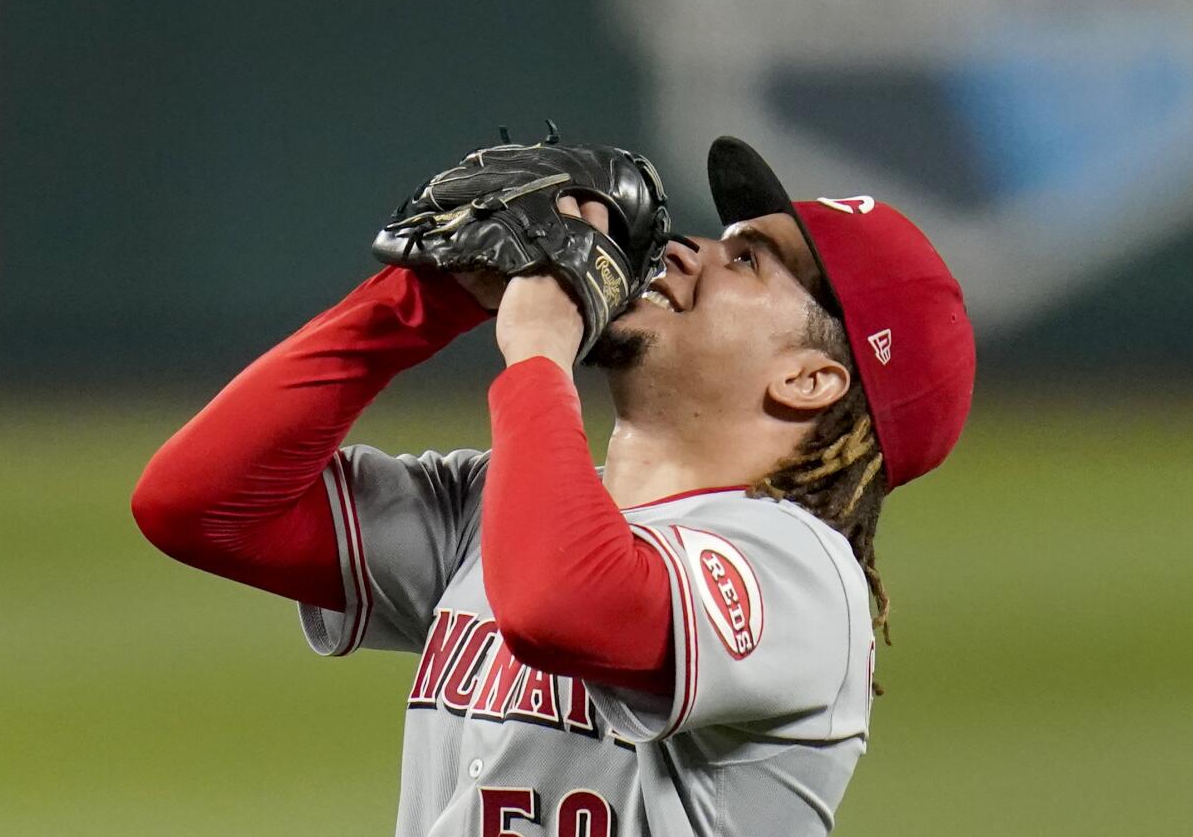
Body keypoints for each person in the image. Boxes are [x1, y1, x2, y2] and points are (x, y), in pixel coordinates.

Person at [131, 136, 975, 835]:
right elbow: (200, 506)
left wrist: (537, 351)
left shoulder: (804, 579)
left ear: (811, 380)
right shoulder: (512, 502)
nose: (688, 249)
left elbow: (556, 602)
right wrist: (422, 302)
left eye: (747, 261)